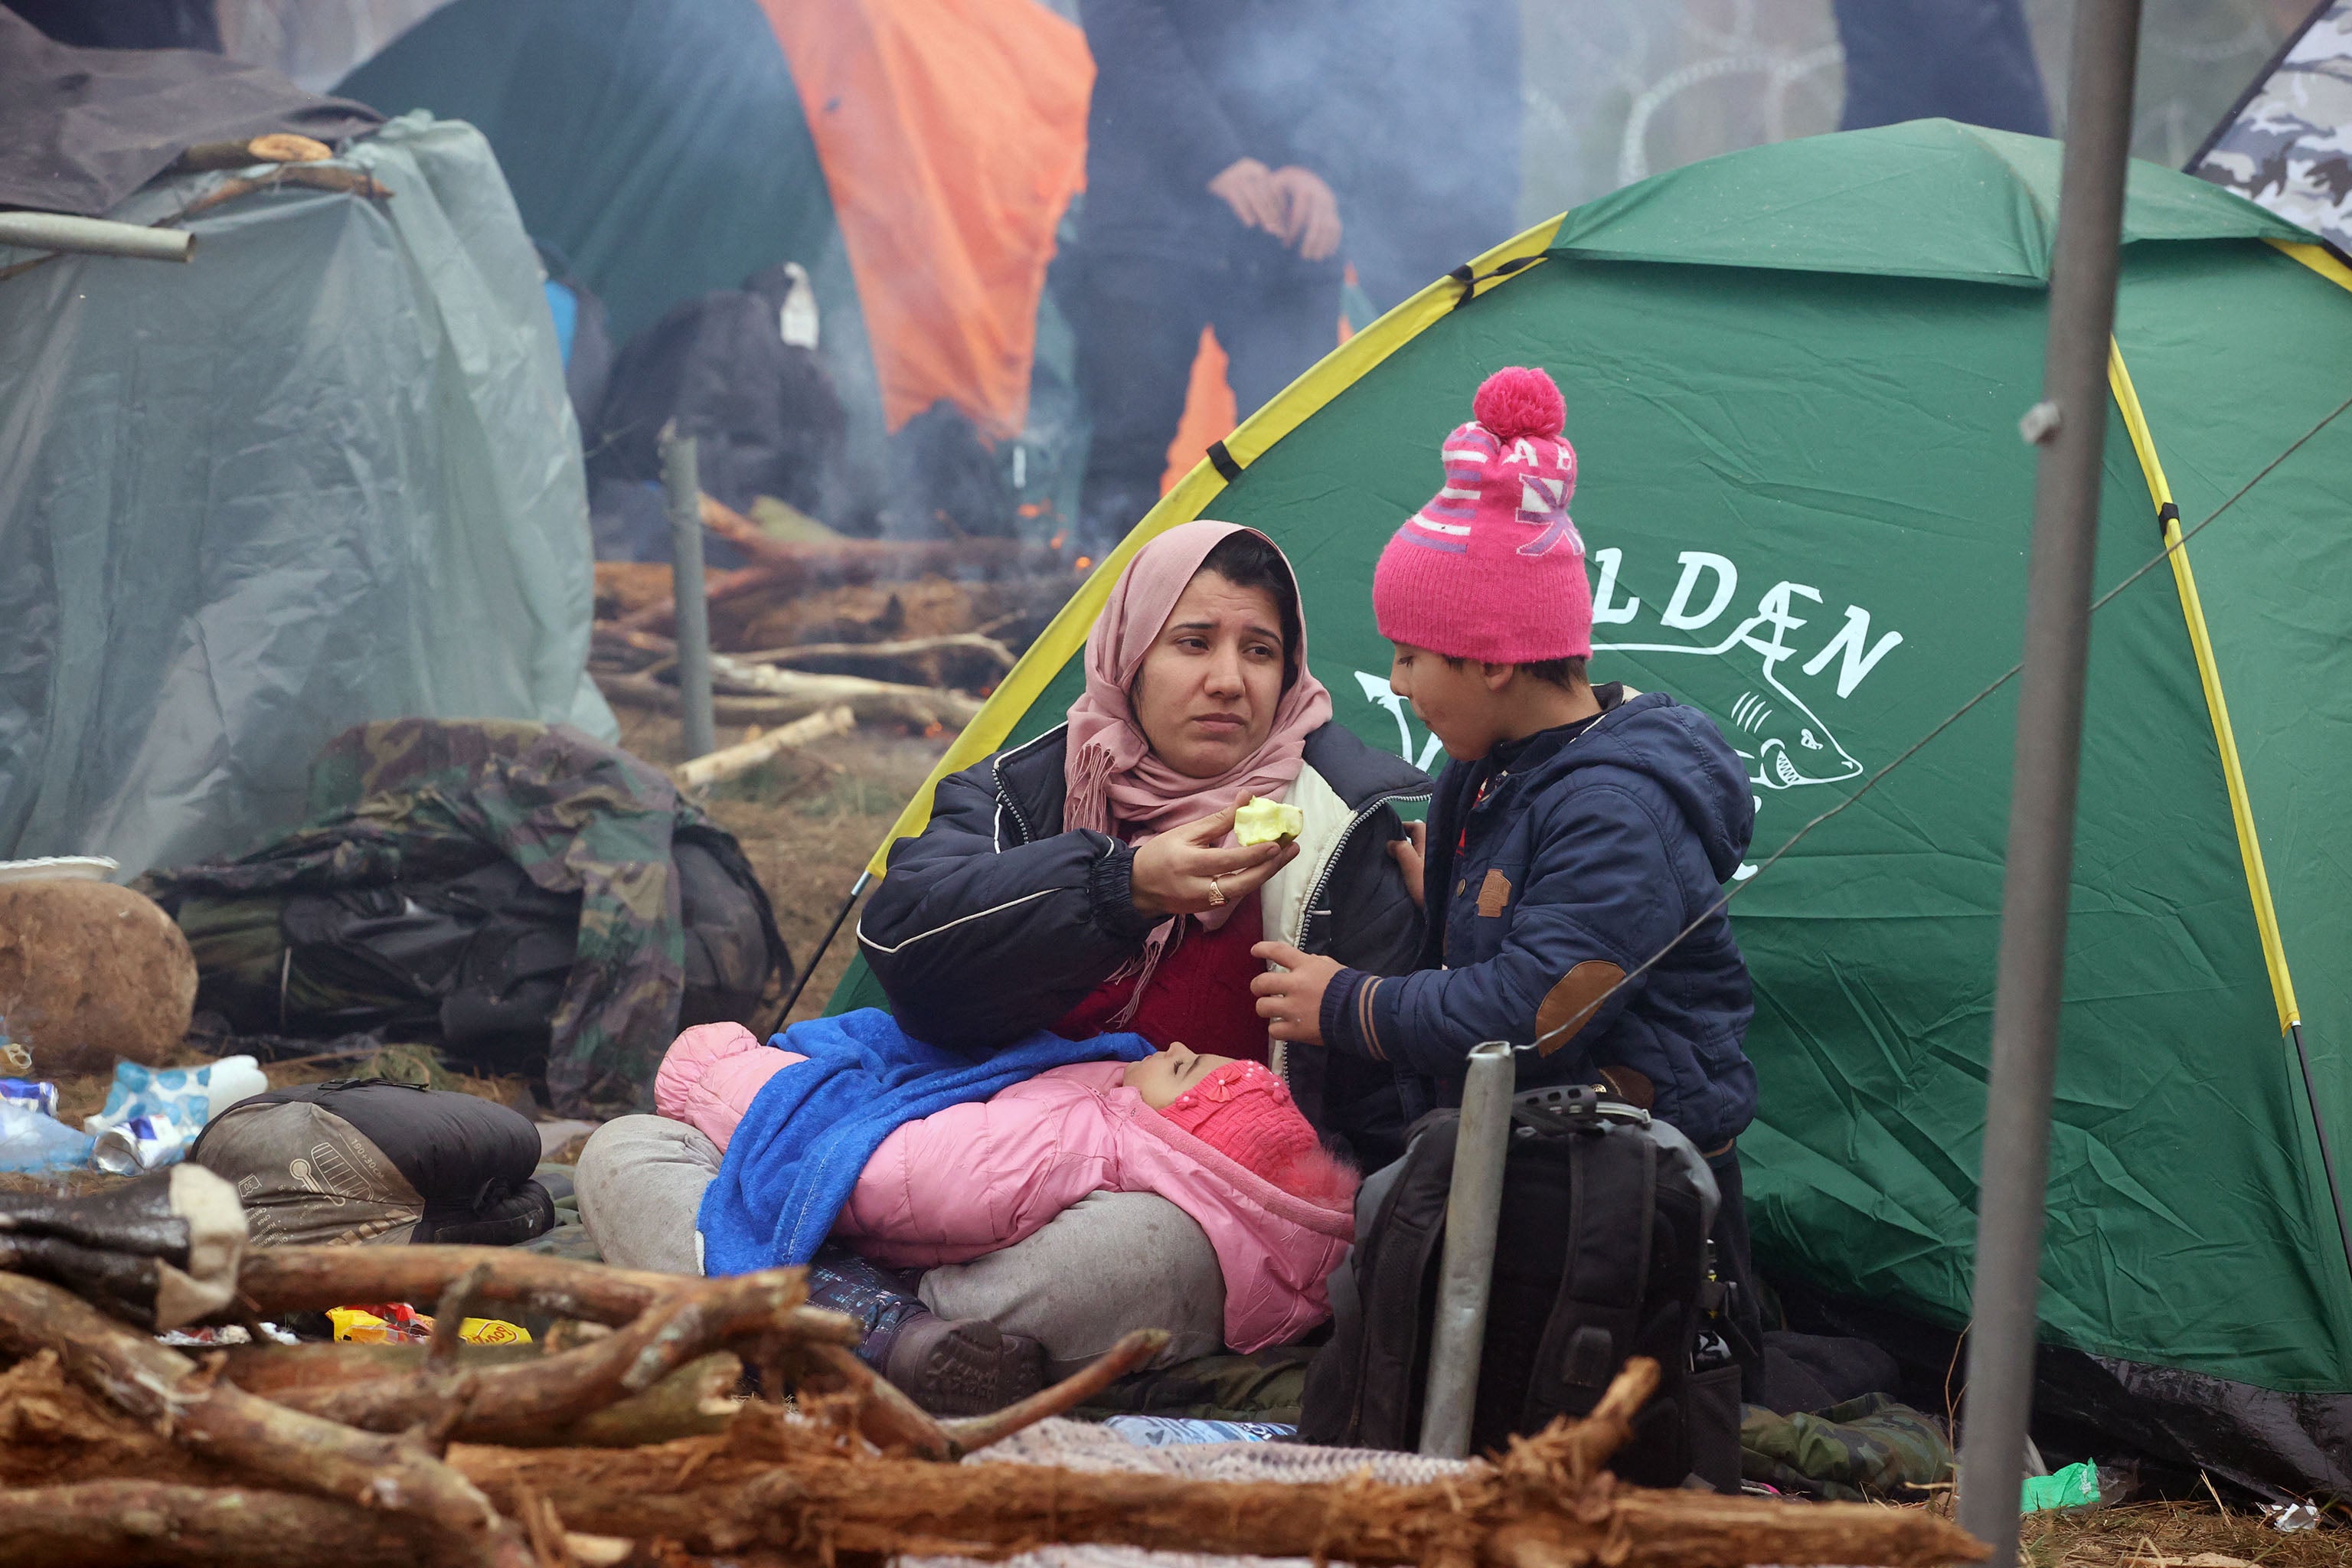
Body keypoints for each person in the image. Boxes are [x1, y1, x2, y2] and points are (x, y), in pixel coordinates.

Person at [577, 520, 1425, 1405]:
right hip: (936, 1138)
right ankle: (883, 1329)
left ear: (1291, 675)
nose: (1227, 679)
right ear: (1129, 654)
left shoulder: (1339, 829)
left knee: (1139, 1252)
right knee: (629, 1149)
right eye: (1193, 641)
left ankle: (821, 1314)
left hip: (1123, 1208)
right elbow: (909, 945)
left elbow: (1376, 1118)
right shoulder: (1026, 791)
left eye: (1261, 650)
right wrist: (1119, 887)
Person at [1246, 365, 1766, 1351]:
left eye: (1411, 654)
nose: (1397, 681)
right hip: (1534, 1168)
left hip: (1635, 1198)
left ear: (1491, 658)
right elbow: (1528, 919)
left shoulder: (1616, 808)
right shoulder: (1484, 769)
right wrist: (1442, 897)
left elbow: (1538, 1006)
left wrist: (1348, 1004)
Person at [660, 1026, 1354, 1357]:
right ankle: (868, 1322)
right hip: (904, 1226)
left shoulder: (1081, 1133)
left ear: (1178, 1144)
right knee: (626, 1145)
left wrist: (718, 1074)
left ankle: (844, 1319)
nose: (1170, 1049)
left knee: (640, 1153)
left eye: (1184, 1068)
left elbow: (886, 1171)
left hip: (863, 1189)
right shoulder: (1107, 1091)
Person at [1070, 0, 1354, 558]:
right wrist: (1215, 156)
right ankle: (1101, 630)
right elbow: (1126, 26)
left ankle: (1285, 626)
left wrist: (1320, 162)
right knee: (1126, 449)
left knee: (1294, 451)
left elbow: (1374, 39)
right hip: (1150, 214)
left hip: (1291, 224)